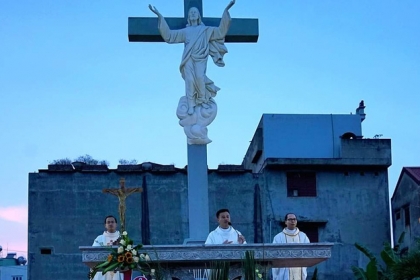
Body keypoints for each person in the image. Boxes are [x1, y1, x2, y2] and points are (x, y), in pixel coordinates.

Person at [149, 1, 235, 115]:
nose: (193, 14)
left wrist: (226, 11)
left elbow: (220, 32)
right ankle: (190, 105)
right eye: (191, 13)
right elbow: (170, 36)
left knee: (200, 78)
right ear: (189, 17)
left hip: (200, 59)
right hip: (188, 59)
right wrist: (160, 17)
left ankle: (202, 99)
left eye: (195, 12)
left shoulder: (206, 30)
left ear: (198, 16)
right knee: (189, 81)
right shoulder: (186, 31)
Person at [272, 213, 310, 280]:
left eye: (294, 219)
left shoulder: (303, 236)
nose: (293, 221)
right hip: (284, 269)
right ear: (285, 222)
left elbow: (308, 251)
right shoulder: (278, 237)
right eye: (290, 219)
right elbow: (274, 254)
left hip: (299, 268)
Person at [91, 216, 122, 280]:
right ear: (105, 225)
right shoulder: (99, 239)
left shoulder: (122, 238)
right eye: (108, 222)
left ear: (116, 224)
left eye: (112, 222)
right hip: (103, 268)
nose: (110, 224)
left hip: (118, 268)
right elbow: (93, 253)